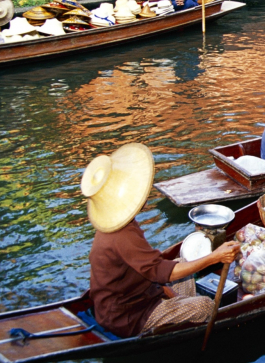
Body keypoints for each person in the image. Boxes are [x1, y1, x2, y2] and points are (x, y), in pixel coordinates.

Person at [84, 143, 240, 338]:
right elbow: (159, 272)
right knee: (205, 306)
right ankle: (183, 311)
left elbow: (148, 269)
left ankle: (179, 307)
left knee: (183, 263)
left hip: (142, 295)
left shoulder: (120, 225)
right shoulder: (121, 235)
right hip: (130, 317)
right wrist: (214, 257)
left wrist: (166, 290)